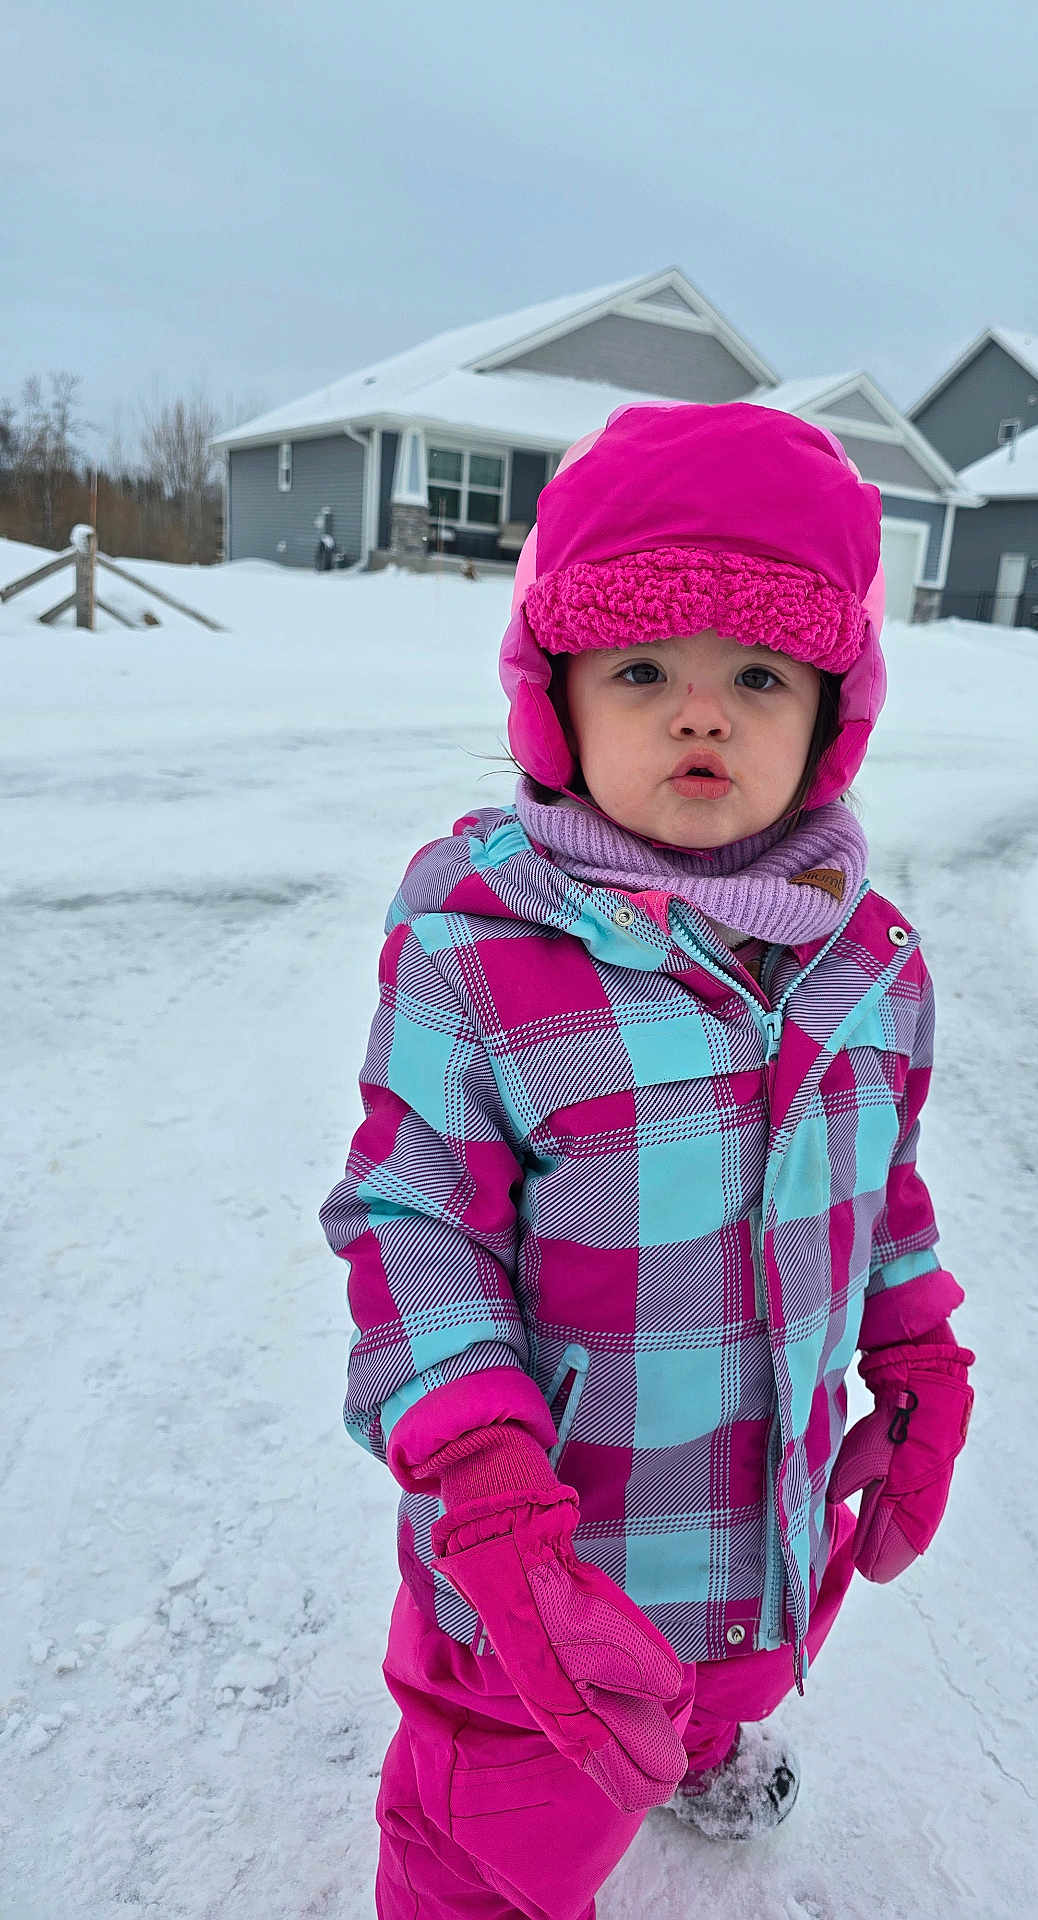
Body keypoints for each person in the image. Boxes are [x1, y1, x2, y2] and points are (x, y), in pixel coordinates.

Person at [320, 401, 975, 1920]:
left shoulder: (870, 962)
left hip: (760, 1509)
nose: (704, 716)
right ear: (558, 706)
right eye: (642, 672)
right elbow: (414, 1225)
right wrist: (482, 1484)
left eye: (759, 674)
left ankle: (698, 1734)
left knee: (729, 1656)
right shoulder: (481, 952)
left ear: (832, 714)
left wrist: (924, 1361)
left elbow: (882, 1194)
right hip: (542, 1557)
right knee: (501, 1833)